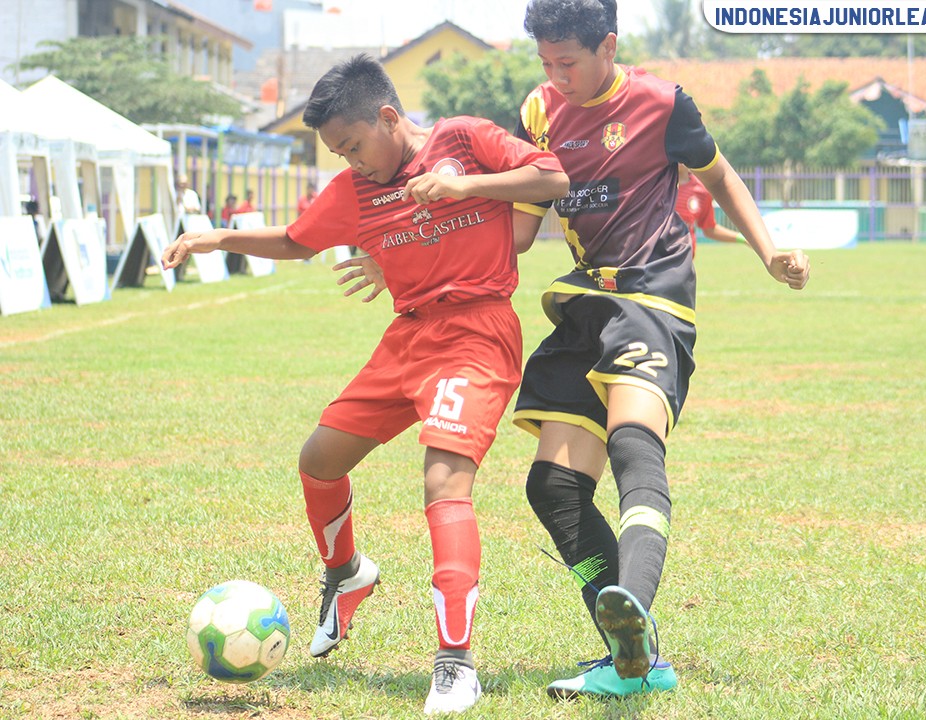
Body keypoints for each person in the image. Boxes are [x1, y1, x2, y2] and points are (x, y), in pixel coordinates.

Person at [160, 54, 568, 715]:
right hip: (407, 338)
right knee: (319, 459)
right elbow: (297, 241)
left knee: (443, 480)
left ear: (387, 117)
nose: (351, 163)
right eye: (338, 154)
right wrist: (215, 238)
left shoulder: (462, 140)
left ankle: (455, 666)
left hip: (476, 334)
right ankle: (347, 574)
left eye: (352, 146)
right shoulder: (356, 190)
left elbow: (552, 175)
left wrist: (463, 189)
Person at [509, 0, 810, 700]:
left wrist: (768, 253)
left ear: (608, 45)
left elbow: (722, 177)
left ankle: (631, 625)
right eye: (545, 63)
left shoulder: (662, 103)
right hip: (584, 303)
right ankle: (636, 657)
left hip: (652, 297)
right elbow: (519, 232)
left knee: (633, 444)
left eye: (569, 62)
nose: (556, 77)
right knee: (551, 487)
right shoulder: (537, 111)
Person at [676, 164, 744, 255]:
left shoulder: (701, 191)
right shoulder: (656, 185)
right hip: (656, 260)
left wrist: (742, 238)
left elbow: (709, 229)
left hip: (684, 259)